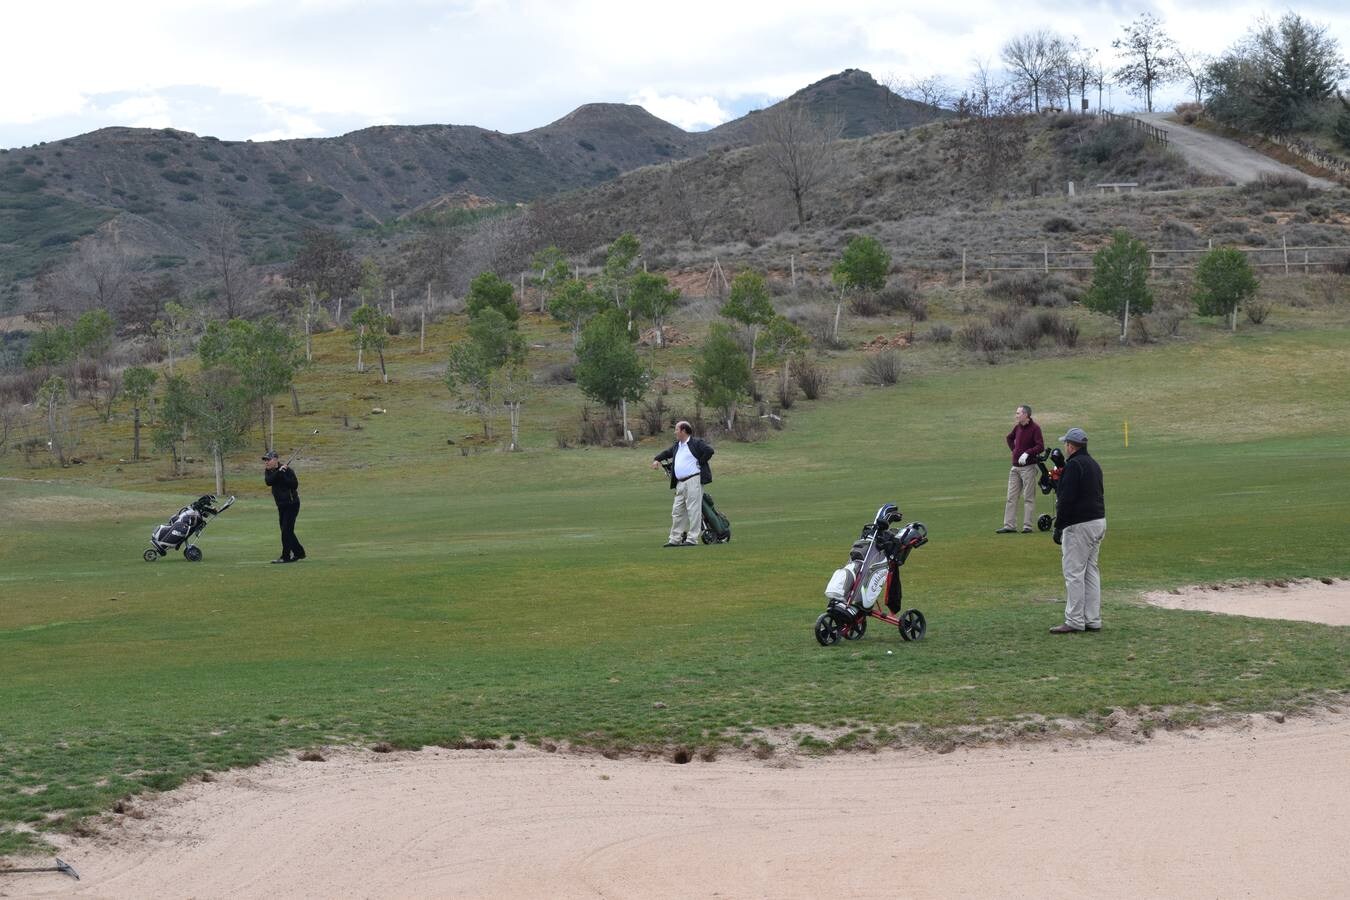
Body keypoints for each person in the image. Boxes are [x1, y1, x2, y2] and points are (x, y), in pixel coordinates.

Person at [1049, 427, 1106, 634]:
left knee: (1074, 573)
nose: (1065, 446)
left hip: (1079, 525)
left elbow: (1066, 500)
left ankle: (1074, 620)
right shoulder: (1093, 464)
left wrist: (1059, 527)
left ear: (1071, 446)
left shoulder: (1074, 466)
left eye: (1066, 443)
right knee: (1091, 571)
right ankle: (1092, 619)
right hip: (1098, 521)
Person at [650, 420, 714, 547]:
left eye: (677, 430)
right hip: (680, 483)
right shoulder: (677, 446)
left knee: (693, 510)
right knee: (677, 511)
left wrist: (700, 462)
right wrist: (657, 459)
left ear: (684, 431)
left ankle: (692, 539)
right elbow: (667, 453)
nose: (675, 432)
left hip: (693, 480)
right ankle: (675, 539)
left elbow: (709, 451)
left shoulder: (696, 443)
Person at [997, 404, 1045, 534]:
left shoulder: (1035, 428)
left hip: (1028, 468)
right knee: (1011, 497)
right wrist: (1015, 451)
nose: (1016, 415)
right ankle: (1009, 526)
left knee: (1028, 497)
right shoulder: (1017, 427)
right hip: (1015, 468)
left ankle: (1027, 526)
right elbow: (1009, 438)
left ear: (1026, 415)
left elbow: (1040, 446)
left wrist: (1027, 453)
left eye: (1018, 413)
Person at [263, 449, 306, 564]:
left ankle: (286, 556)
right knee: (286, 530)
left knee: (286, 531)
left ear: (276, 459)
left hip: (292, 504)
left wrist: (283, 475)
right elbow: (269, 482)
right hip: (281, 505)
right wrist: (279, 472)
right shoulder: (269, 471)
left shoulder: (288, 471)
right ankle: (299, 552)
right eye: (265, 460)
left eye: (268, 460)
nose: (266, 462)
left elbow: (294, 485)